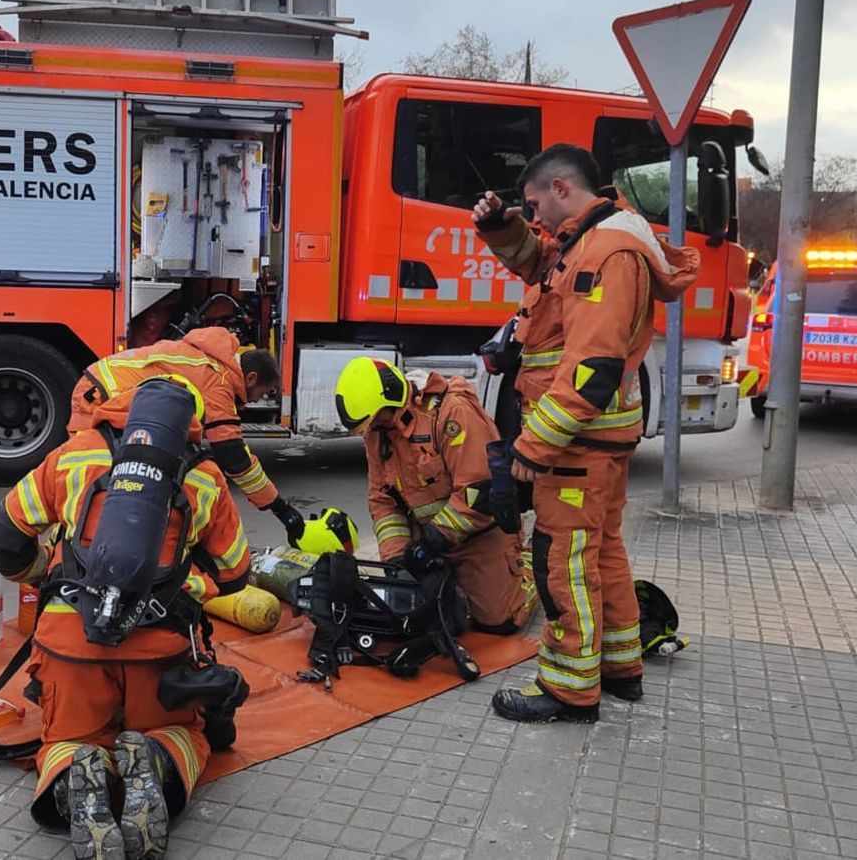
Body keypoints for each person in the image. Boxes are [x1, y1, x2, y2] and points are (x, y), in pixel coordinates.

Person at [471, 144, 696, 723]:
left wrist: (532, 444)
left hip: (576, 443)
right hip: (595, 442)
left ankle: (570, 689)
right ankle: (621, 668)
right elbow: (539, 265)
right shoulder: (587, 241)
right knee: (603, 552)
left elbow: (592, 370)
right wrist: (501, 225)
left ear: (562, 189)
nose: (536, 217)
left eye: (534, 203)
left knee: (561, 560)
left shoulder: (605, 254)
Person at [0, 377, 251, 860]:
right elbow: (236, 573)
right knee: (183, 733)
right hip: (162, 653)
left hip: (71, 647)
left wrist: (45, 577)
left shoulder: (73, 454)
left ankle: (77, 772)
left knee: (67, 739)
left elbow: (3, 539)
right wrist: (190, 579)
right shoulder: (205, 474)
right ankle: (157, 758)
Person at [333, 356, 537, 633]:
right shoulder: (378, 431)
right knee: (416, 615)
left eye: (374, 420)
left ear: (390, 400)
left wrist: (434, 540)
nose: (371, 429)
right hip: (427, 538)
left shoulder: (451, 412)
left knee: (498, 620)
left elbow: (478, 493)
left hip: (477, 532)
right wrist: (396, 560)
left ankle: (527, 565)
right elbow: (383, 502)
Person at [71, 327, 309, 543]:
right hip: (100, 396)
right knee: (88, 488)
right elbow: (234, 457)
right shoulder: (219, 380)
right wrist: (280, 507)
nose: (258, 399)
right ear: (251, 378)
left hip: (100, 386)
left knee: (107, 485)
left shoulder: (209, 361)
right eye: (262, 392)